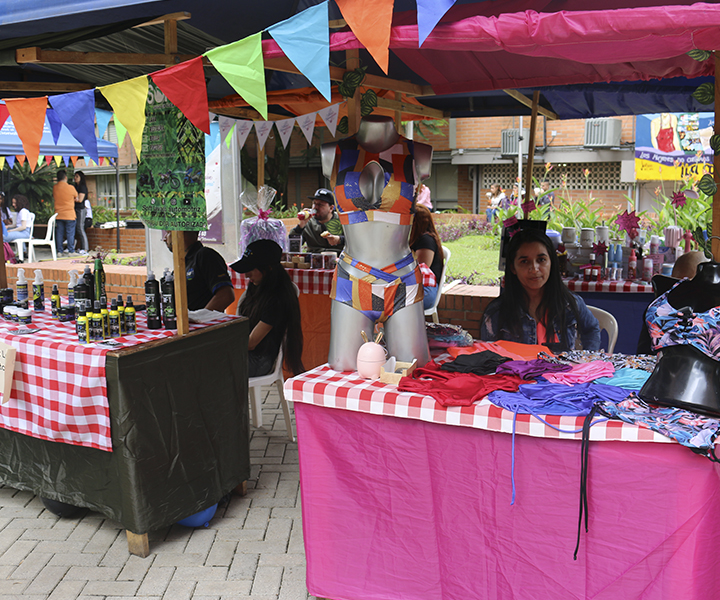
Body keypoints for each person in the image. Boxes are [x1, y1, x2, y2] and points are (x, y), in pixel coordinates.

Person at [322, 115, 432, 370]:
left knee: (412, 373)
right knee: (344, 372)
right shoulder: (332, 152)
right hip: (352, 279)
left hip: (402, 279)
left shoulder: (419, 153)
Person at [481, 228, 600, 350]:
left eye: (541, 260)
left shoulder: (569, 303)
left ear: (551, 262)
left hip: (563, 369)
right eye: (524, 261)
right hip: (515, 369)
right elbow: (488, 359)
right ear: (513, 268)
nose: (534, 268)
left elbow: (591, 328)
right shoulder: (496, 313)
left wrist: (587, 361)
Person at [230, 239, 304, 377]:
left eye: (251, 269)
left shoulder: (277, 298)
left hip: (260, 360)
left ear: (268, 268)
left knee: (209, 365)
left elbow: (251, 343)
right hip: (245, 354)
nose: (246, 275)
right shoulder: (257, 287)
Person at [163, 230, 235, 312]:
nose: (165, 238)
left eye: (168, 233)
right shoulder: (182, 262)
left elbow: (226, 295)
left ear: (181, 233)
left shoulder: (205, 256)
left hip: (202, 323)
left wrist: (199, 318)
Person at [409, 205, 444, 310]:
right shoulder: (416, 239)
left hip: (426, 290)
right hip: (416, 288)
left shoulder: (426, 240)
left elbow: (420, 270)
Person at [289, 188, 344, 254]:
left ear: (331, 208)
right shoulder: (308, 223)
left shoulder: (342, 221)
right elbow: (292, 247)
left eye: (320, 205)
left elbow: (356, 241)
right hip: (314, 260)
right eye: (314, 203)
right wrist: (301, 226)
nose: (315, 207)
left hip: (338, 260)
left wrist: (340, 240)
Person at [53, 170, 78, 254]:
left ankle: (59, 251)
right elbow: (76, 198)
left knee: (59, 233)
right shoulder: (71, 188)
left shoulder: (55, 187)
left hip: (58, 214)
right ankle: (71, 251)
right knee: (70, 233)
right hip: (69, 214)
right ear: (66, 177)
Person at [73, 171, 90, 254]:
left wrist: (71, 199)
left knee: (80, 227)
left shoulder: (82, 187)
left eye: (77, 176)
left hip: (80, 209)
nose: (75, 178)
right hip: (75, 209)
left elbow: (80, 200)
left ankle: (85, 248)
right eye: (74, 176)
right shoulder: (75, 186)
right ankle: (76, 246)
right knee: (75, 228)